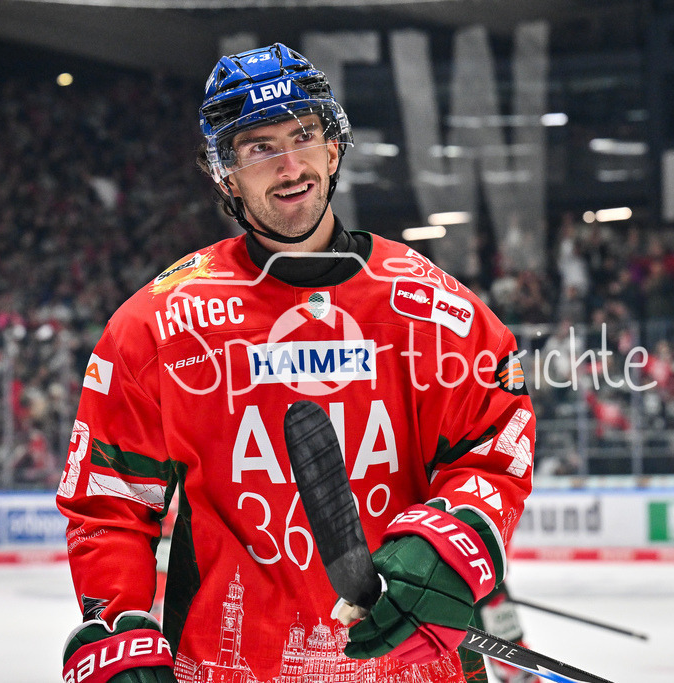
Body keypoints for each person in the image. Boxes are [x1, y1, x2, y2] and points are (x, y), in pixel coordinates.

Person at [56, 43, 535, 683]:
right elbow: (108, 501)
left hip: (412, 663)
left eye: (303, 135)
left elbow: (495, 443)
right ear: (224, 172)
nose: (289, 165)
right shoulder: (157, 324)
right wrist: (119, 630)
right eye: (258, 147)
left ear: (333, 149)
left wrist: (444, 550)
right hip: (230, 667)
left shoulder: (431, 306)